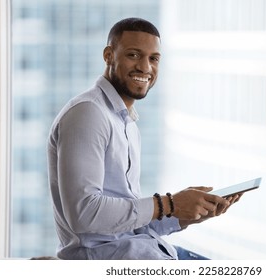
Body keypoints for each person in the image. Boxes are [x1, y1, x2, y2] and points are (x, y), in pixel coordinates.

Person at [47, 17, 242, 260]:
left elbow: (129, 222)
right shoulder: (88, 113)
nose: (145, 68)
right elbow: (84, 214)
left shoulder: (126, 122)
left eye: (153, 58)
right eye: (133, 55)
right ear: (109, 55)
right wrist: (169, 203)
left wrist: (187, 213)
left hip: (145, 251)